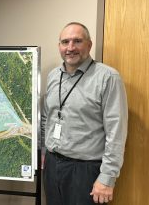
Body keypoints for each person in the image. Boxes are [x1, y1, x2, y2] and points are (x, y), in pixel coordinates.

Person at [41, 22, 128, 205]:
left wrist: (107, 178)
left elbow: (116, 132)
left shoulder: (107, 78)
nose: (70, 47)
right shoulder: (53, 76)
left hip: (85, 171)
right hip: (52, 164)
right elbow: (47, 117)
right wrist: (44, 151)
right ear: (59, 46)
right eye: (65, 42)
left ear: (89, 44)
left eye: (77, 41)